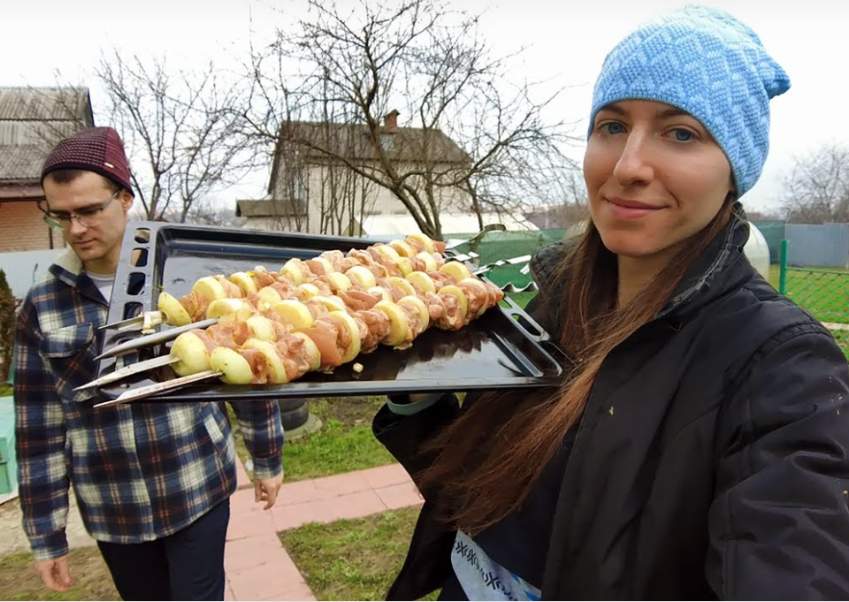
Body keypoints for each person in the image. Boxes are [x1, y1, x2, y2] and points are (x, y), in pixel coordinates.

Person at [373, 6, 849, 600]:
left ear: (735, 171)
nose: (627, 167)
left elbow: (796, 556)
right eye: (612, 126)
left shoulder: (783, 368)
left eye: (681, 133)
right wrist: (416, 390)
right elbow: (479, 492)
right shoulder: (548, 305)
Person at [14, 127, 285, 601]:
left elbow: (246, 364)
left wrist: (266, 457)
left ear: (124, 198)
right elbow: (38, 425)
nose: (75, 229)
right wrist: (45, 533)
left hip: (196, 482)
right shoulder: (43, 304)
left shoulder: (190, 279)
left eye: (88, 210)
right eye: (61, 216)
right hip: (114, 507)